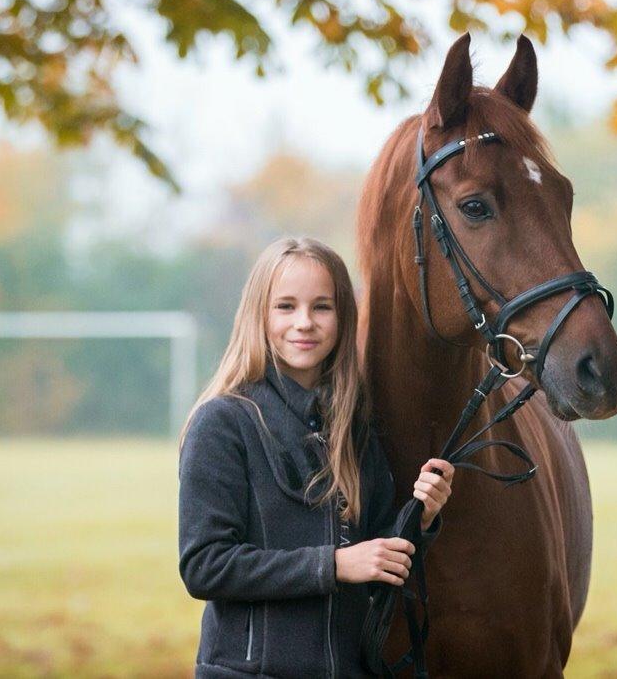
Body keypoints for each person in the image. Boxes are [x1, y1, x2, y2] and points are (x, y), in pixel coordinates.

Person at [178, 236, 455, 678]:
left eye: (321, 307)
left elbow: (377, 553)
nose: (304, 322)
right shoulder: (222, 423)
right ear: (259, 315)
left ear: (343, 316)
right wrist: (333, 565)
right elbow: (205, 566)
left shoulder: (354, 428)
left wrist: (420, 517)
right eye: (285, 306)